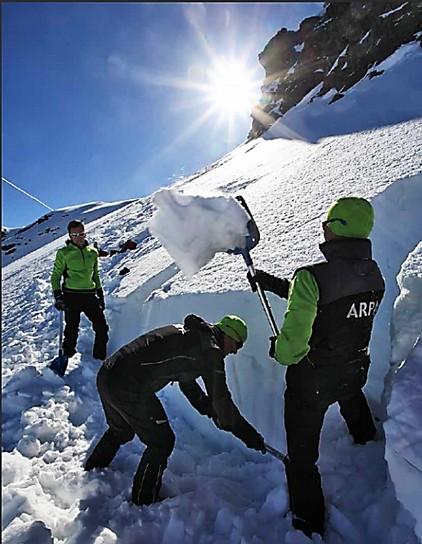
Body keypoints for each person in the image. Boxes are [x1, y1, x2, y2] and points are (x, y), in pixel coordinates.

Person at [249, 197, 385, 538]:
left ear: (336, 229)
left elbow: (293, 347)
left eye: (328, 222)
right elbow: (331, 306)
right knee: (351, 395)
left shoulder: (311, 277)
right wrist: (273, 283)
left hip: (314, 382)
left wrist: (278, 351)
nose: (323, 227)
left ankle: (308, 521)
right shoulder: (374, 274)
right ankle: (366, 439)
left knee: (302, 454)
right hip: (355, 368)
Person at [84, 314, 266, 505]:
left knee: (121, 430)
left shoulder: (195, 336)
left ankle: (93, 468)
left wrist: (211, 411)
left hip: (108, 374)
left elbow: (188, 384)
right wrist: (247, 434)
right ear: (230, 335)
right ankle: (144, 500)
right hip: (128, 386)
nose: (236, 351)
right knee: (161, 441)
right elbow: (221, 399)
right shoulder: (211, 350)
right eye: (238, 345)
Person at [51, 220, 109, 364]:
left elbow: (95, 274)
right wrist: (58, 296)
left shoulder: (92, 252)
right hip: (71, 295)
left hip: (90, 295)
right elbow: (56, 276)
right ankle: (67, 355)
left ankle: (99, 358)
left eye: (81, 233)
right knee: (71, 329)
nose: (78, 237)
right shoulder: (64, 253)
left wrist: (100, 294)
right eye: (75, 234)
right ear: (70, 235)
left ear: (85, 233)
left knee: (102, 327)